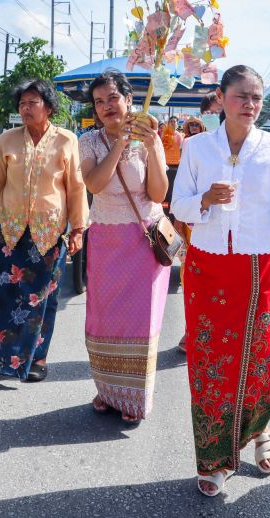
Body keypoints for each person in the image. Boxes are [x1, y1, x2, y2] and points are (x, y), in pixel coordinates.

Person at [172, 65, 270, 497]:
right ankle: (216, 459)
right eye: (242, 95)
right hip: (208, 266)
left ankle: (260, 429)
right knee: (211, 363)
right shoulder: (197, 148)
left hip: (261, 267)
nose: (250, 104)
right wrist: (204, 199)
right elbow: (178, 205)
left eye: (257, 97)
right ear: (221, 98)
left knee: (261, 356)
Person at [0, 79, 88, 387]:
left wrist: (78, 229)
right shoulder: (8, 139)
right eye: (22, 103)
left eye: (32, 102)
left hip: (49, 235)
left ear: (48, 107)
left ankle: (38, 359)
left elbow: (75, 187)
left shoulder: (66, 139)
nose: (25, 108)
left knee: (41, 300)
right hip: (11, 232)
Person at [78, 69, 170, 424]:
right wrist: (119, 143)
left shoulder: (151, 140)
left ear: (129, 100)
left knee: (139, 324)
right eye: (99, 102)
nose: (106, 107)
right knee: (104, 320)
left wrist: (148, 145)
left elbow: (160, 195)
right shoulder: (88, 142)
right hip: (105, 239)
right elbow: (96, 185)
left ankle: (134, 398)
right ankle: (107, 390)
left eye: (112, 98)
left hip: (143, 241)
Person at [173, 115, 207, 353]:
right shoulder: (189, 146)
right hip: (191, 224)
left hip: (220, 233)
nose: (194, 128)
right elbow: (182, 190)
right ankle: (191, 331)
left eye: (198, 125)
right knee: (191, 280)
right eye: (191, 125)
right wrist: (177, 217)